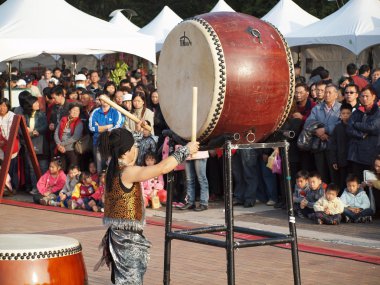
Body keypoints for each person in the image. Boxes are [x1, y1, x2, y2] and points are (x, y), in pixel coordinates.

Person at [94, 128, 198, 284]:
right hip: (127, 240)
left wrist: (137, 133)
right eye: (134, 147)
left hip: (120, 235)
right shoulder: (127, 172)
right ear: (125, 152)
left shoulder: (112, 167)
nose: (137, 149)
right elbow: (161, 168)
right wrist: (185, 150)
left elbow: (128, 151)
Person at [346, 86, 380, 181]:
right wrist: (361, 135)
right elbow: (349, 129)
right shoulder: (357, 112)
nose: (364, 99)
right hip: (355, 155)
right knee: (356, 182)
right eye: (362, 96)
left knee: (370, 184)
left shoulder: (377, 112)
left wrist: (356, 124)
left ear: (373, 97)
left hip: (370, 154)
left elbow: (373, 127)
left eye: (367, 96)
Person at [89, 93, 124, 172]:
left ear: (110, 100)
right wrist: (108, 126)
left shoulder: (115, 111)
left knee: (111, 167)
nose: (104, 101)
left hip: (111, 142)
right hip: (98, 142)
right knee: (99, 167)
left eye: (106, 99)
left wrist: (100, 127)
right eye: (102, 99)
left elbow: (117, 126)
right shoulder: (95, 112)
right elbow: (91, 127)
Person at [328, 103, 352, 192]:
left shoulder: (354, 126)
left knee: (352, 181)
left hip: (352, 159)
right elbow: (333, 145)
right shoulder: (337, 128)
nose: (345, 115)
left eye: (348, 113)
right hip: (341, 159)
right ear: (340, 115)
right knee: (342, 181)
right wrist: (334, 160)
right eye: (343, 113)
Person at [54, 103, 83, 172]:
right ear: (69, 111)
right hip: (60, 149)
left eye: (77, 111)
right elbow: (56, 133)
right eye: (73, 110)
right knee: (61, 170)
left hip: (72, 149)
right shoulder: (63, 119)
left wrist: (61, 145)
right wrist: (58, 145)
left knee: (72, 170)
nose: (75, 112)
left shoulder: (79, 123)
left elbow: (75, 137)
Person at [0, 97, 20, 191]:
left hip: (11, 145)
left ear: (8, 106)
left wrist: (5, 141)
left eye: (4, 105)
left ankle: (14, 187)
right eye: (0, 105)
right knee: (2, 167)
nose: (2, 108)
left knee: (12, 167)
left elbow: (11, 132)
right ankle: (4, 187)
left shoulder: (12, 116)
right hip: (1, 146)